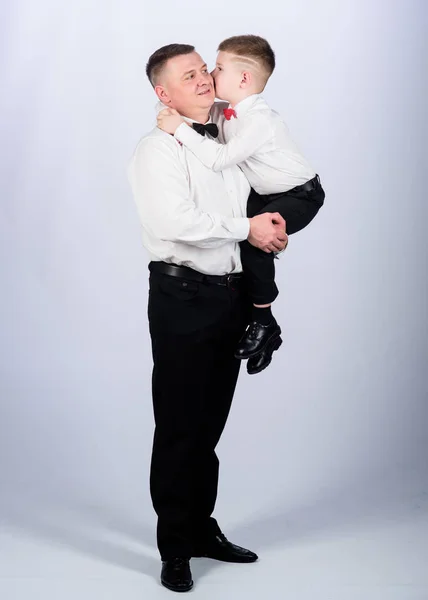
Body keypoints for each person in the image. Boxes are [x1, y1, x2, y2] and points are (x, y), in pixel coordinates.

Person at [128, 43, 288, 593]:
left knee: (210, 425)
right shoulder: (157, 150)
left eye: (203, 70)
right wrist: (251, 229)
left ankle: (201, 529)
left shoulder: (227, 139)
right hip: (182, 299)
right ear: (162, 93)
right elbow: (176, 222)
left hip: (230, 296)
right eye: (187, 75)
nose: (201, 80)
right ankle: (175, 546)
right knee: (179, 428)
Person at [157, 35, 325, 374]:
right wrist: (176, 112)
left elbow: (219, 159)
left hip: (299, 194)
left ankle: (264, 321)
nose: (210, 77)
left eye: (216, 68)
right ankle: (259, 322)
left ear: (244, 79)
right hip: (266, 193)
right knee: (236, 226)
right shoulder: (229, 111)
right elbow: (196, 110)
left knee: (253, 242)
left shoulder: (259, 120)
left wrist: (178, 130)